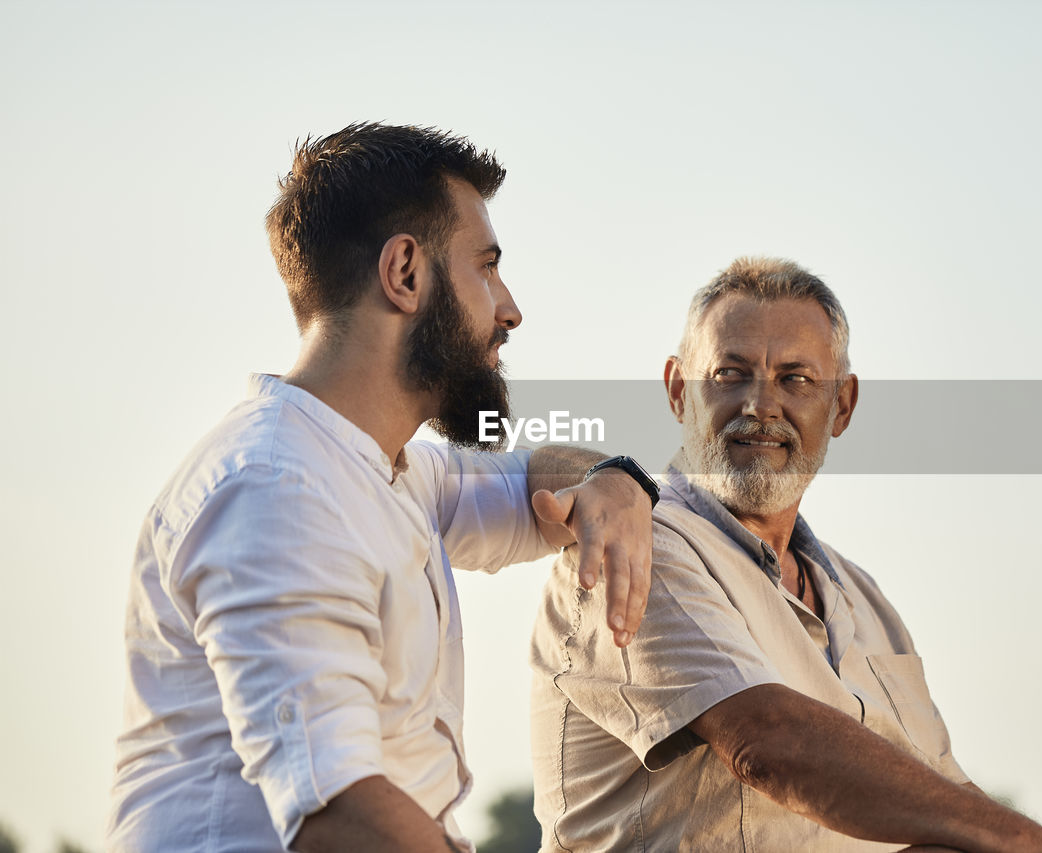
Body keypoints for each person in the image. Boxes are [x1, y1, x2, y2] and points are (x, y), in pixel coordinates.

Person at [106, 123, 656, 853]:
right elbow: (338, 810)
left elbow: (530, 482)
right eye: (486, 267)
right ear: (405, 272)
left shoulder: (393, 470)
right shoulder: (277, 491)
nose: (509, 307)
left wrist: (611, 479)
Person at [529, 257, 1042, 852]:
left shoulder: (863, 599)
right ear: (678, 390)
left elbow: (943, 798)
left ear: (842, 406)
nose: (761, 405)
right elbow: (766, 742)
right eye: (730, 374)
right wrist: (1027, 842)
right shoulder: (639, 543)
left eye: (796, 380)